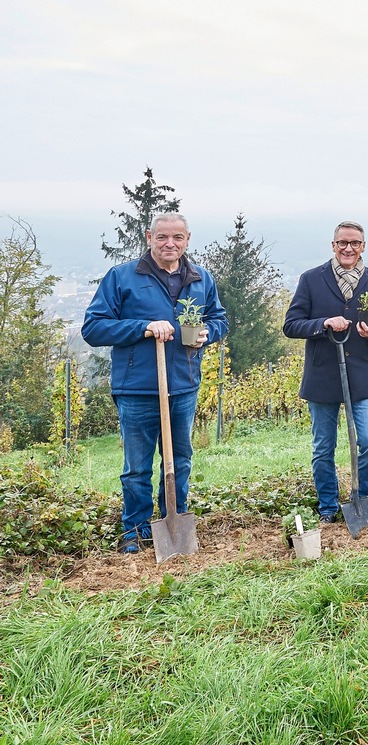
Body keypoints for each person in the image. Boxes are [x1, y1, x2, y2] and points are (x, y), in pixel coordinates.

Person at [82, 212, 228, 553]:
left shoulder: (201, 279)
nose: (169, 244)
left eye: (177, 237)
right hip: (137, 388)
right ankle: (134, 531)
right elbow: (93, 328)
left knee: (180, 460)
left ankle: (173, 522)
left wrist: (207, 333)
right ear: (149, 237)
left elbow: (218, 318)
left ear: (187, 239)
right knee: (136, 467)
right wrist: (144, 327)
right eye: (162, 237)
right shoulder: (122, 277)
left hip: (184, 385)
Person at [283, 220, 368, 522]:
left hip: (362, 375)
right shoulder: (311, 279)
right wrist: (323, 324)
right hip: (323, 377)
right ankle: (329, 507)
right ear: (333, 246)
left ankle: (363, 499)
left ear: (363, 247)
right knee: (324, 447)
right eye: (342, 243)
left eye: (354, 243)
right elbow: (291, 325)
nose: (348, 248)